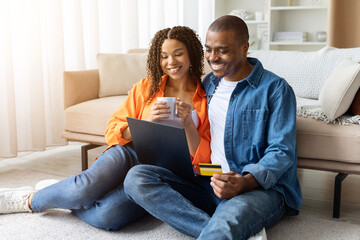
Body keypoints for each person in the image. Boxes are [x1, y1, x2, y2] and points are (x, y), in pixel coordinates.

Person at [0, 26, 211, 230]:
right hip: (129, 152)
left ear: (191, 54)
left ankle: (61, 192)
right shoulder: (146, 87)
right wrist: (146, 120)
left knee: (107, 217)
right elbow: (112, 129)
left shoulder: (205, 98)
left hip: (161, 171)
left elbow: (204, 158)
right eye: (164, 56)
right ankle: (29, 200)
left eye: (178, 54)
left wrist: (188, 125)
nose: (171, 62)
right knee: (83, 189)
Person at [123, 15, 302, 239]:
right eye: (208, 49)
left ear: (245, 47)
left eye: (222, 50)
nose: (213, 58)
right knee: (136, 178)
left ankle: (224, 227)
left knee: (225, 223)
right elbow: (201, 136)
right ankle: (228, 230)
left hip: (254, 188)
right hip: (208, 178)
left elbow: (281, 151)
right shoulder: (209, 84)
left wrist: (245, 182)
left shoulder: (276, 89)